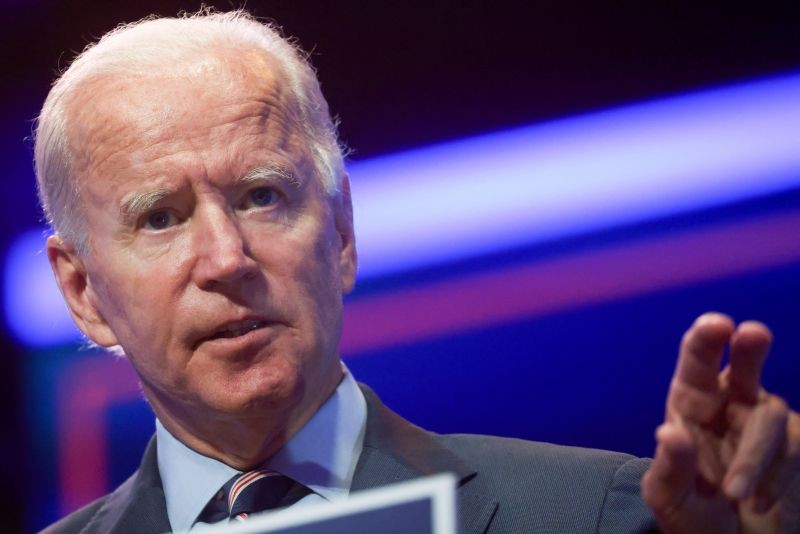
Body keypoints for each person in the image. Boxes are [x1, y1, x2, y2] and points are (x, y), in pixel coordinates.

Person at [33, 9, 798, 534]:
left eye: (262, 196)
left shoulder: (598, 513)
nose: (227, 258)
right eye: (161, 217)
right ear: (83, 291)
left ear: (339, 230)